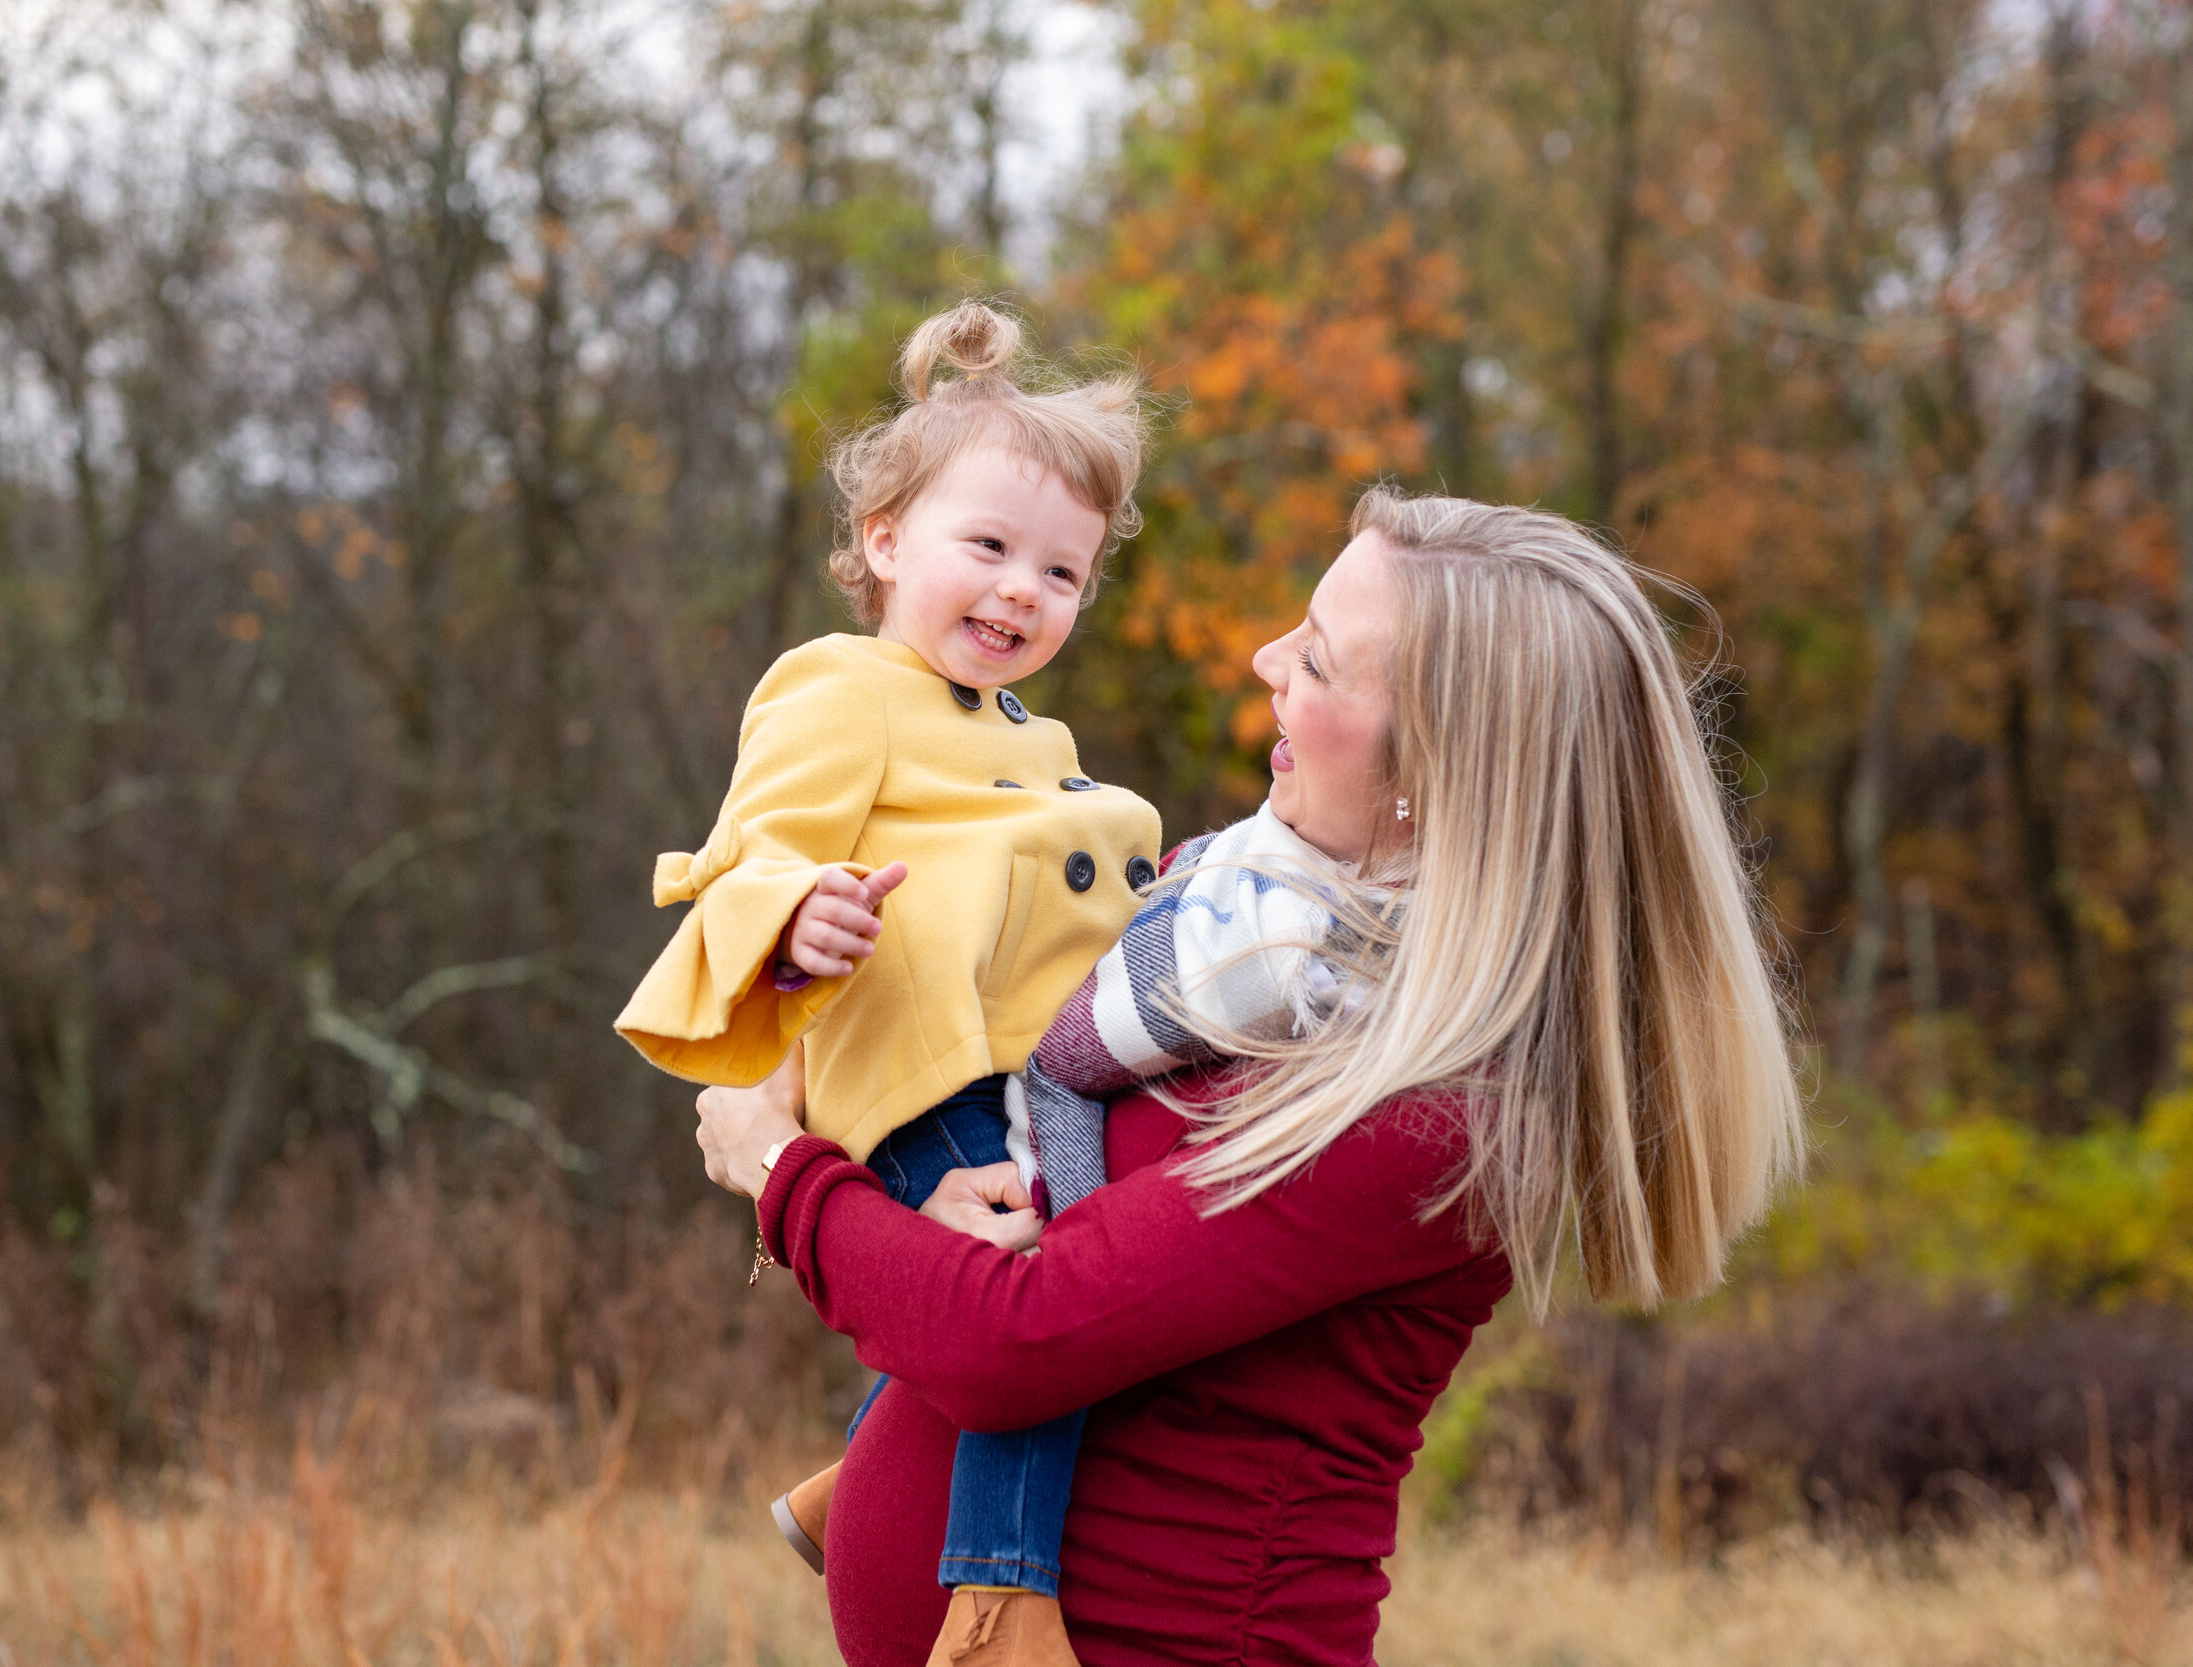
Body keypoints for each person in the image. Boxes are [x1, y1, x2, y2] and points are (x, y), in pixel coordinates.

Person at [695, 487, 1806, 1666]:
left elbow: (1015, 1338)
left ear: (1436, 768)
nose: (1267, 660)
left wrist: (779, 1167)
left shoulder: (1440, 1110)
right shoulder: (1223, 923)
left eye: (1318, 659)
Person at [615, 299, 1163, 1662]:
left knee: (1062, 1287)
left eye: (1061, 570)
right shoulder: (843, 687)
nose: (1022, 590)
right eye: (988, 547)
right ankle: (996, 1602)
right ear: (883, 541)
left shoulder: (1033, 735)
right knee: (1033, 1302)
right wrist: (799, 913)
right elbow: (753, 850)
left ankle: (861, 1482)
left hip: (1035, 1067)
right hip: (929, 1064)